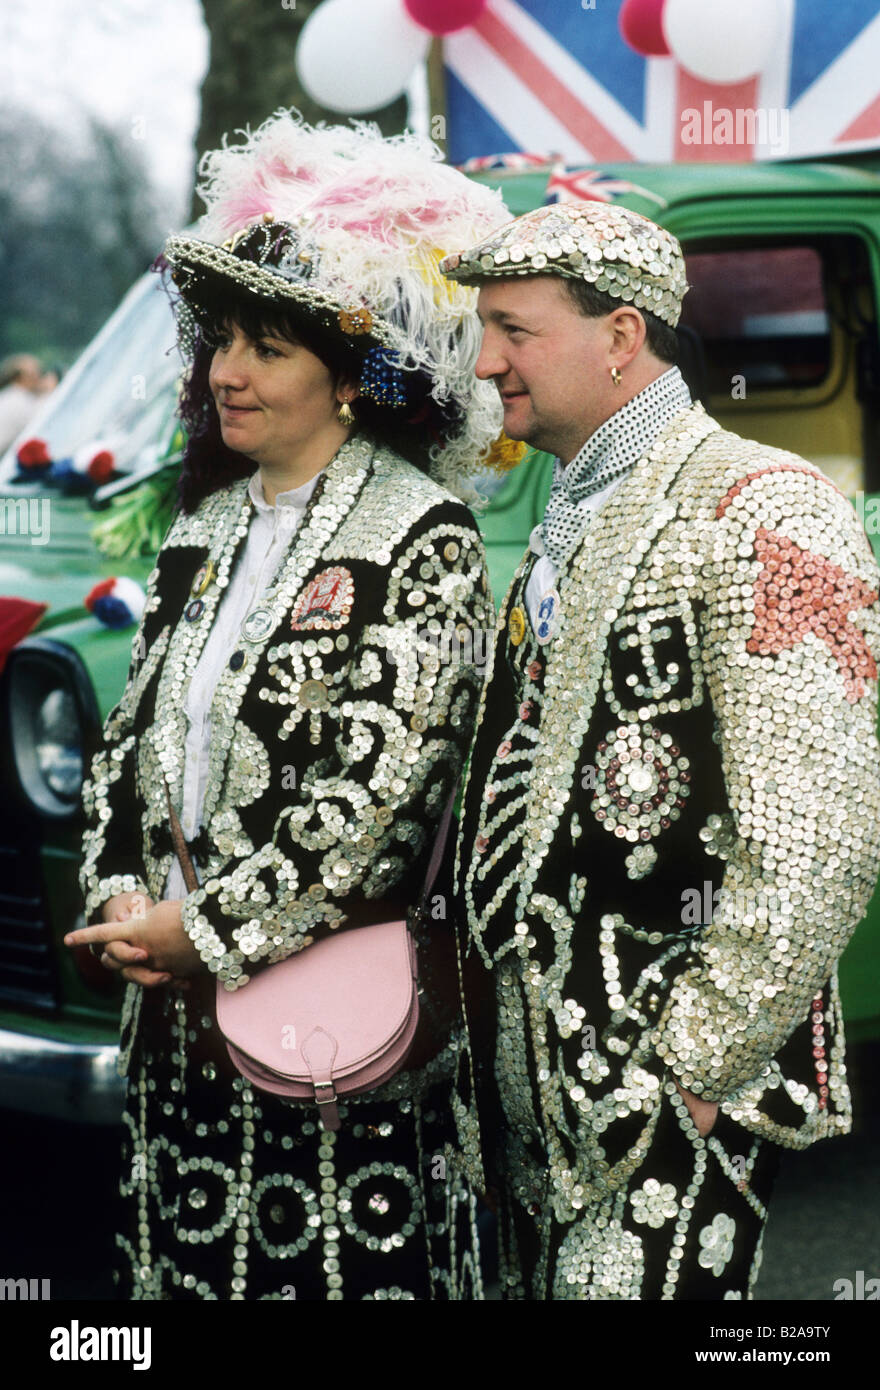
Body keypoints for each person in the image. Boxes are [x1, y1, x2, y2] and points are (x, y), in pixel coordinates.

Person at [65, 113, 508, 1302]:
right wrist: (117, 896)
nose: (227, 373)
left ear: (349, 379)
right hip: (175, 1036)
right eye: (221, 343)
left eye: (265, 347)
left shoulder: (424, 537)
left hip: (337, 1040)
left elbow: (379, 804)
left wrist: (199, 933)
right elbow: (126, 750)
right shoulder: (201, 531)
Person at [440, 201, 880, 1300]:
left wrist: (694, 1067)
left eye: (514, 329)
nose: (486, 361)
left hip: (660, 1095)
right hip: (535, 1100)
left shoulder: (763, 505)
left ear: (621, 337)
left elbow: (821, 835)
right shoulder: (570, 506)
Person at [0, 353, 45, 452]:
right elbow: (44, 427)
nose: (40, 378)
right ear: (19, 377)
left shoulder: (8, 396)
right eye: (34, 374)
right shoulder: (18, 400)